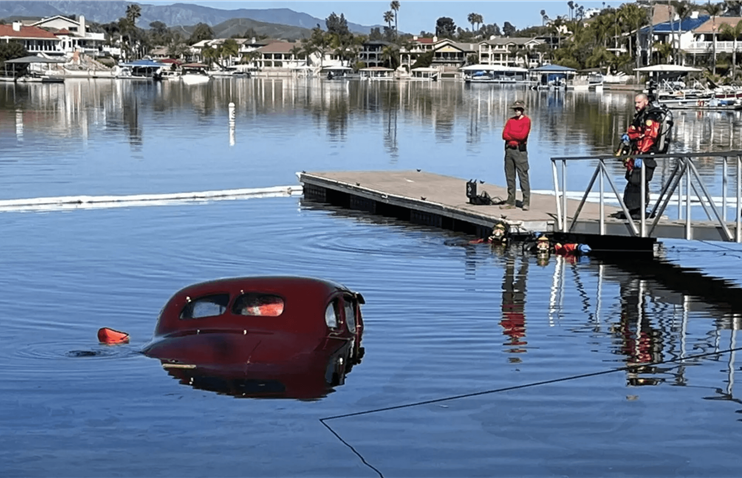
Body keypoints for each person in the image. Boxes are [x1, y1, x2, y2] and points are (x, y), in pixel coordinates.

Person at [620, 93, 660, 219]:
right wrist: (629, 136)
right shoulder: (640, 115)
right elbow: (636, 131)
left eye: (639, 102)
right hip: (636, 151)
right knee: (632, 179)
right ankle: (631, 209)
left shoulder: (651, 116)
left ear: (646, 102)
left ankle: (639, 211)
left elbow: (650, 136)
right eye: (635, 103)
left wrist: (642, 153)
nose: (636, 105)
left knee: (640, 181)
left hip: (644, 153)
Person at [501, 100, 532, 211]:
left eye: (519, 109)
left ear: (523, 110)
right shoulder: (510, 121)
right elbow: (504, 135)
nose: (517, 111)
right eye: (516, 109)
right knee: (510, 176)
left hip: (520, 151)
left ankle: (526, 202)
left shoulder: (527, 121)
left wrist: (511, 134)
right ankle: (510, 201)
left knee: (523, 176)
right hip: (509, 150)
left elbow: (522, 136)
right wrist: (513, 135)